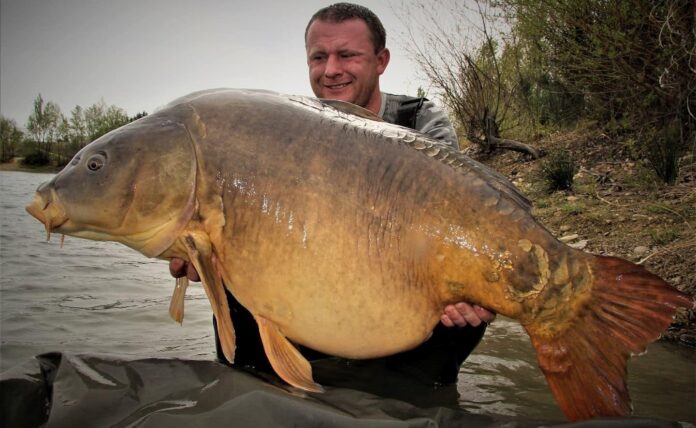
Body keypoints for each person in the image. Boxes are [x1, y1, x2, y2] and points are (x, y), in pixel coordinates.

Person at [170, 2, 495, 386]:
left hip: (402, 286)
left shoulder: (423, 124)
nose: (331, 70)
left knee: (471, 291)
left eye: (347, 55)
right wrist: (206, 252)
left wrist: (475, 287)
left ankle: (415, 395)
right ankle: (266, 387)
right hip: (318, 282)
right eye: (318, 57)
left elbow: (459, 221)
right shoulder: (291, 128)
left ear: (381, 60)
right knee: (234, 278)